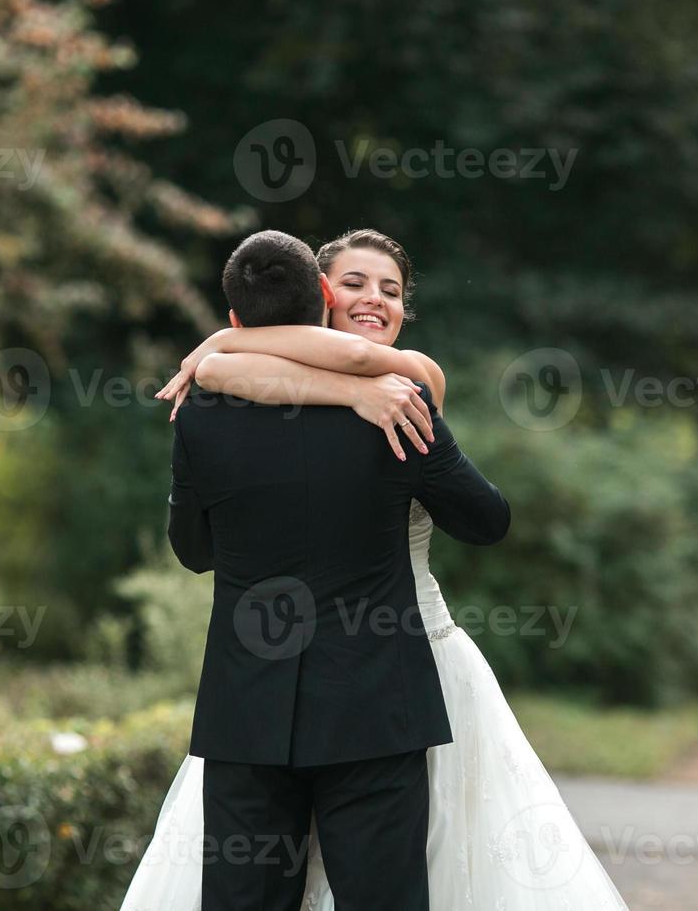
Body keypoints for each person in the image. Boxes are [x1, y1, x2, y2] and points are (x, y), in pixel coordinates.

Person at [144, 229, 513, 911]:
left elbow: (194, 552)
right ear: (321, 295)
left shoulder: (202, 412)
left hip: (246, 711)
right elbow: (485, 521)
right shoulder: (399, 402)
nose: (373, 299)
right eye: (355, 285)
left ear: (235, 319)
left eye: (391, 290)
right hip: (375, 706)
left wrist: (216, 353)